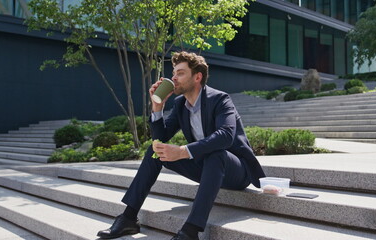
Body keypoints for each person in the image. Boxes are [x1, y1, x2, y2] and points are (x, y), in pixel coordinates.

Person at [97, 51, 265, 240]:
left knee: (216, 154)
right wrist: (157, 108)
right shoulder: (180, 104)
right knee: (155, 150)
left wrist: (183, 151)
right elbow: (160, 137)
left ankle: (190, 232)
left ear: (197, 77)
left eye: (180, 73)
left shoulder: (220, 99)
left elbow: (225, 136)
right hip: (204, 168)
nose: (174, 78)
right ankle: (128, 218)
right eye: (174, 73)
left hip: (236, 170)